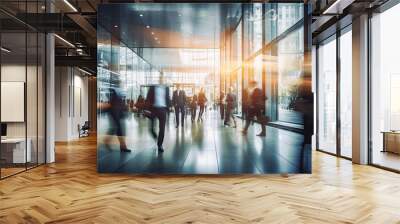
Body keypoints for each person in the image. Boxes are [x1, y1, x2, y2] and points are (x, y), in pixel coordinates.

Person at [102, 87, 131, 152]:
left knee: (116, 128)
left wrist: (124, 110)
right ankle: (122, 146)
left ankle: (109, 142)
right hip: (114, 112)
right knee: (118, 128)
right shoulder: (113, 89)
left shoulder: (117, 90)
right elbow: (112, 101)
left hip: (117, 111)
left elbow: (120, 101)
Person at [145, 85, 170, 152]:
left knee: (162, 129)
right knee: (151, 129)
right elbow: (148, 97)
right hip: (153, 109)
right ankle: (155, 136)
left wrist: (168, 110)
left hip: (163, 110)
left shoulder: (166, 87)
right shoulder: (152, 87)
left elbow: (168, 99)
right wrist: (147, 109)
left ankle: (160, 145)